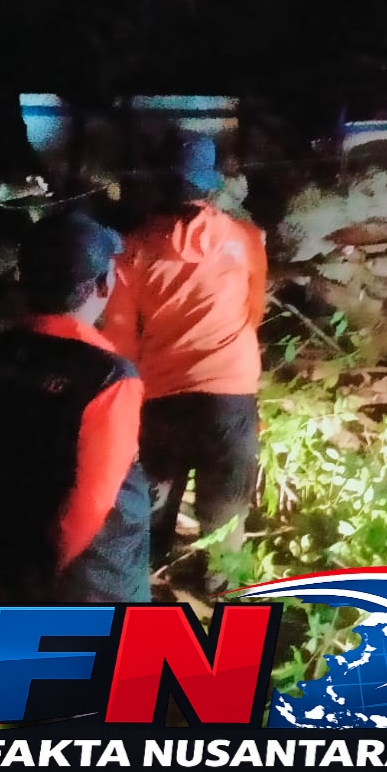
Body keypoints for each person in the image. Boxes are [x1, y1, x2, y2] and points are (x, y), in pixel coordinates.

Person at [102, 130, 268, 573]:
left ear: (160, 183)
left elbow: (120, 338)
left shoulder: (129, 250)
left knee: (154, 506)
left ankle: (145, 592)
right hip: (230, 396)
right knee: (225, 512)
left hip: (161, 397)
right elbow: (253, 313)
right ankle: (223, 595)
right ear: (210, 185)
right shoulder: (246, 240)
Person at [0, 212, 150, 604]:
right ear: (102, 285)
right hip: (91, 574)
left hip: (9, 548)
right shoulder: (108, 376)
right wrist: (51, 566)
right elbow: (92, 500)